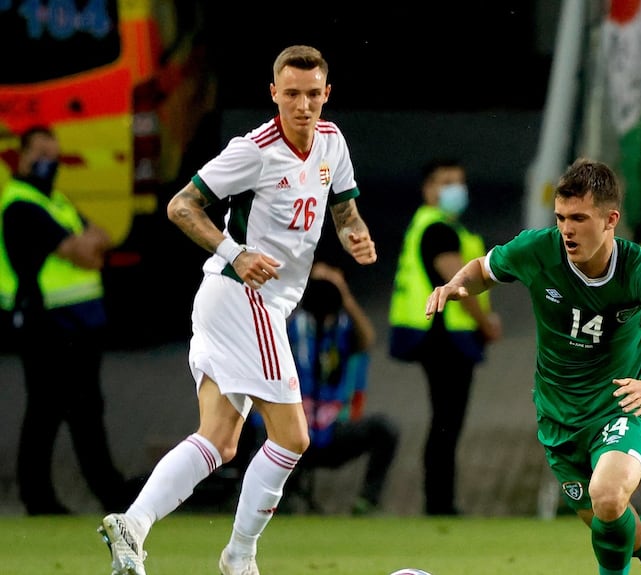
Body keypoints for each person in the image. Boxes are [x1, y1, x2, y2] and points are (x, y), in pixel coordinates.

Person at [97, 44, 377, 575]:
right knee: (293, 436)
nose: (302, 105)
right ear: (273, 93)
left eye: (312, 94)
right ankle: (240, 557)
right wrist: (236, 252)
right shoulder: (253, 150)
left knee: (220, 440)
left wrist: (354, 233)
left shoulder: (332, 143)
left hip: (241, 302)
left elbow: (343, 209)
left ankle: (132, 526)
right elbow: (181, 205)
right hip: (244, 298)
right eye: (291, 94)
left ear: (327, 94)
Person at [426, 158, 641, 575]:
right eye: (561, 218)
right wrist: (456, 284)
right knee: (619, 527)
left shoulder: (639, 272)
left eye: (579, 218)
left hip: (620, 408)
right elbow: (484, 269)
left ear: (610, 219)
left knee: (608, 496)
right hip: (558, 418)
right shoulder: (538, 249)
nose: (567, 229)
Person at [0, 126, 132, 516]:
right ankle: (40, 498)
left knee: (83, 409)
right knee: (47, 410)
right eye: (41, 154)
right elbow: (82, 251)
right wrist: (86, 247)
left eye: (54, 156)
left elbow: (102, 237)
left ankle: (109, 494)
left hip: (78, 324)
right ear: (22, 156)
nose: (49, 164)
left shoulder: (54, 200)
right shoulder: (22, 204)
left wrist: (87, 246)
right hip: (45, 323)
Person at [388, 158, 501, 516]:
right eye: (445, 182)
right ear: (428, 189)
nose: (454, 189)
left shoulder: (429, 226)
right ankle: (439, 503)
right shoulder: (440, 230)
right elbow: (459, 285)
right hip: (445, 338)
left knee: (444, 421)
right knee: (446, 422)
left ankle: (439, 501)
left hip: (435, 336)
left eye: (459, 182)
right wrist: (485, 323)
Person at [242, 262, 398, 515]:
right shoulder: (293, 324)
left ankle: (367, 502)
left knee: (385, 429)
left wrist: (343, 294)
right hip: (291, 425)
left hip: (332, 429)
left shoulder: (343, 327)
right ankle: (263, 502)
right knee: (253, 424)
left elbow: (368, 339)